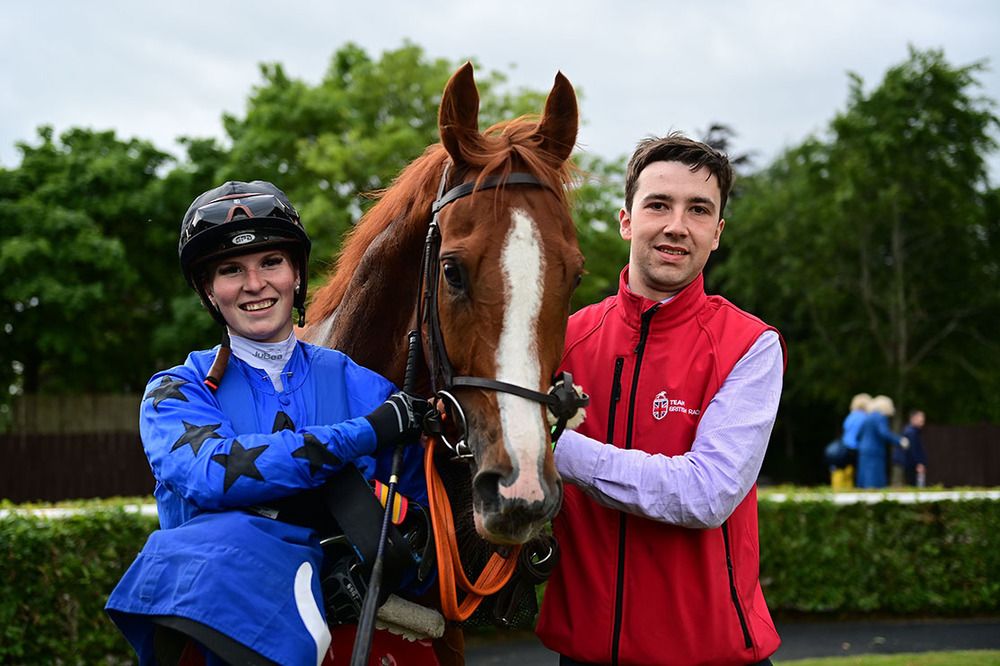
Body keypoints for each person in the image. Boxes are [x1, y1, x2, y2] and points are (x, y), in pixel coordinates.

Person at [105, 181, 433, 665]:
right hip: (217, 645)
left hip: (359, 639)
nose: (254, 284)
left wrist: (373, 565)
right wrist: (364, 434)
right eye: (230, 269)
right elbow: (215, 474)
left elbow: (423, 530)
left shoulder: (368, 388)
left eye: (271, 263)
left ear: (297, 275)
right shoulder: (175, 391)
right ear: (209, 292)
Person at [536, 134, 785, 665]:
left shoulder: (752, 345)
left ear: (716, 234)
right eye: (658, 205)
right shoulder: (562, 338)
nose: (677, 225)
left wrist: (555, 449)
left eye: (698, 210)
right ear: (626, 220)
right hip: (584, 654)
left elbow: (707, 493)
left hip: (713, 656)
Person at [856, 394, 904, 489]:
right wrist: (900, 441)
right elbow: (884, 433)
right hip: (875, 451)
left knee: (864, 478)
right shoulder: (880, 417)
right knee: (874, 480)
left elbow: (858, 434)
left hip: (864, 450)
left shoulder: (868, 417)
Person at [834, 392, 872, 489]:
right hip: (856, 446)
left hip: (844, 445)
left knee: (841, 470)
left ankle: (838, 489)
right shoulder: (864, 417)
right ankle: (850, 490)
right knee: (852, 472)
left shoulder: (851, 416)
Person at [893, 409, 927, 487]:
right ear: (913, 418)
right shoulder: (912, 432)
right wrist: (919, 463)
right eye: (920, 417)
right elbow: (914, 450)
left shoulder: (911, 431)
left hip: (911, 464)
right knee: (914, 485)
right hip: (912, 465)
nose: (922, 419)